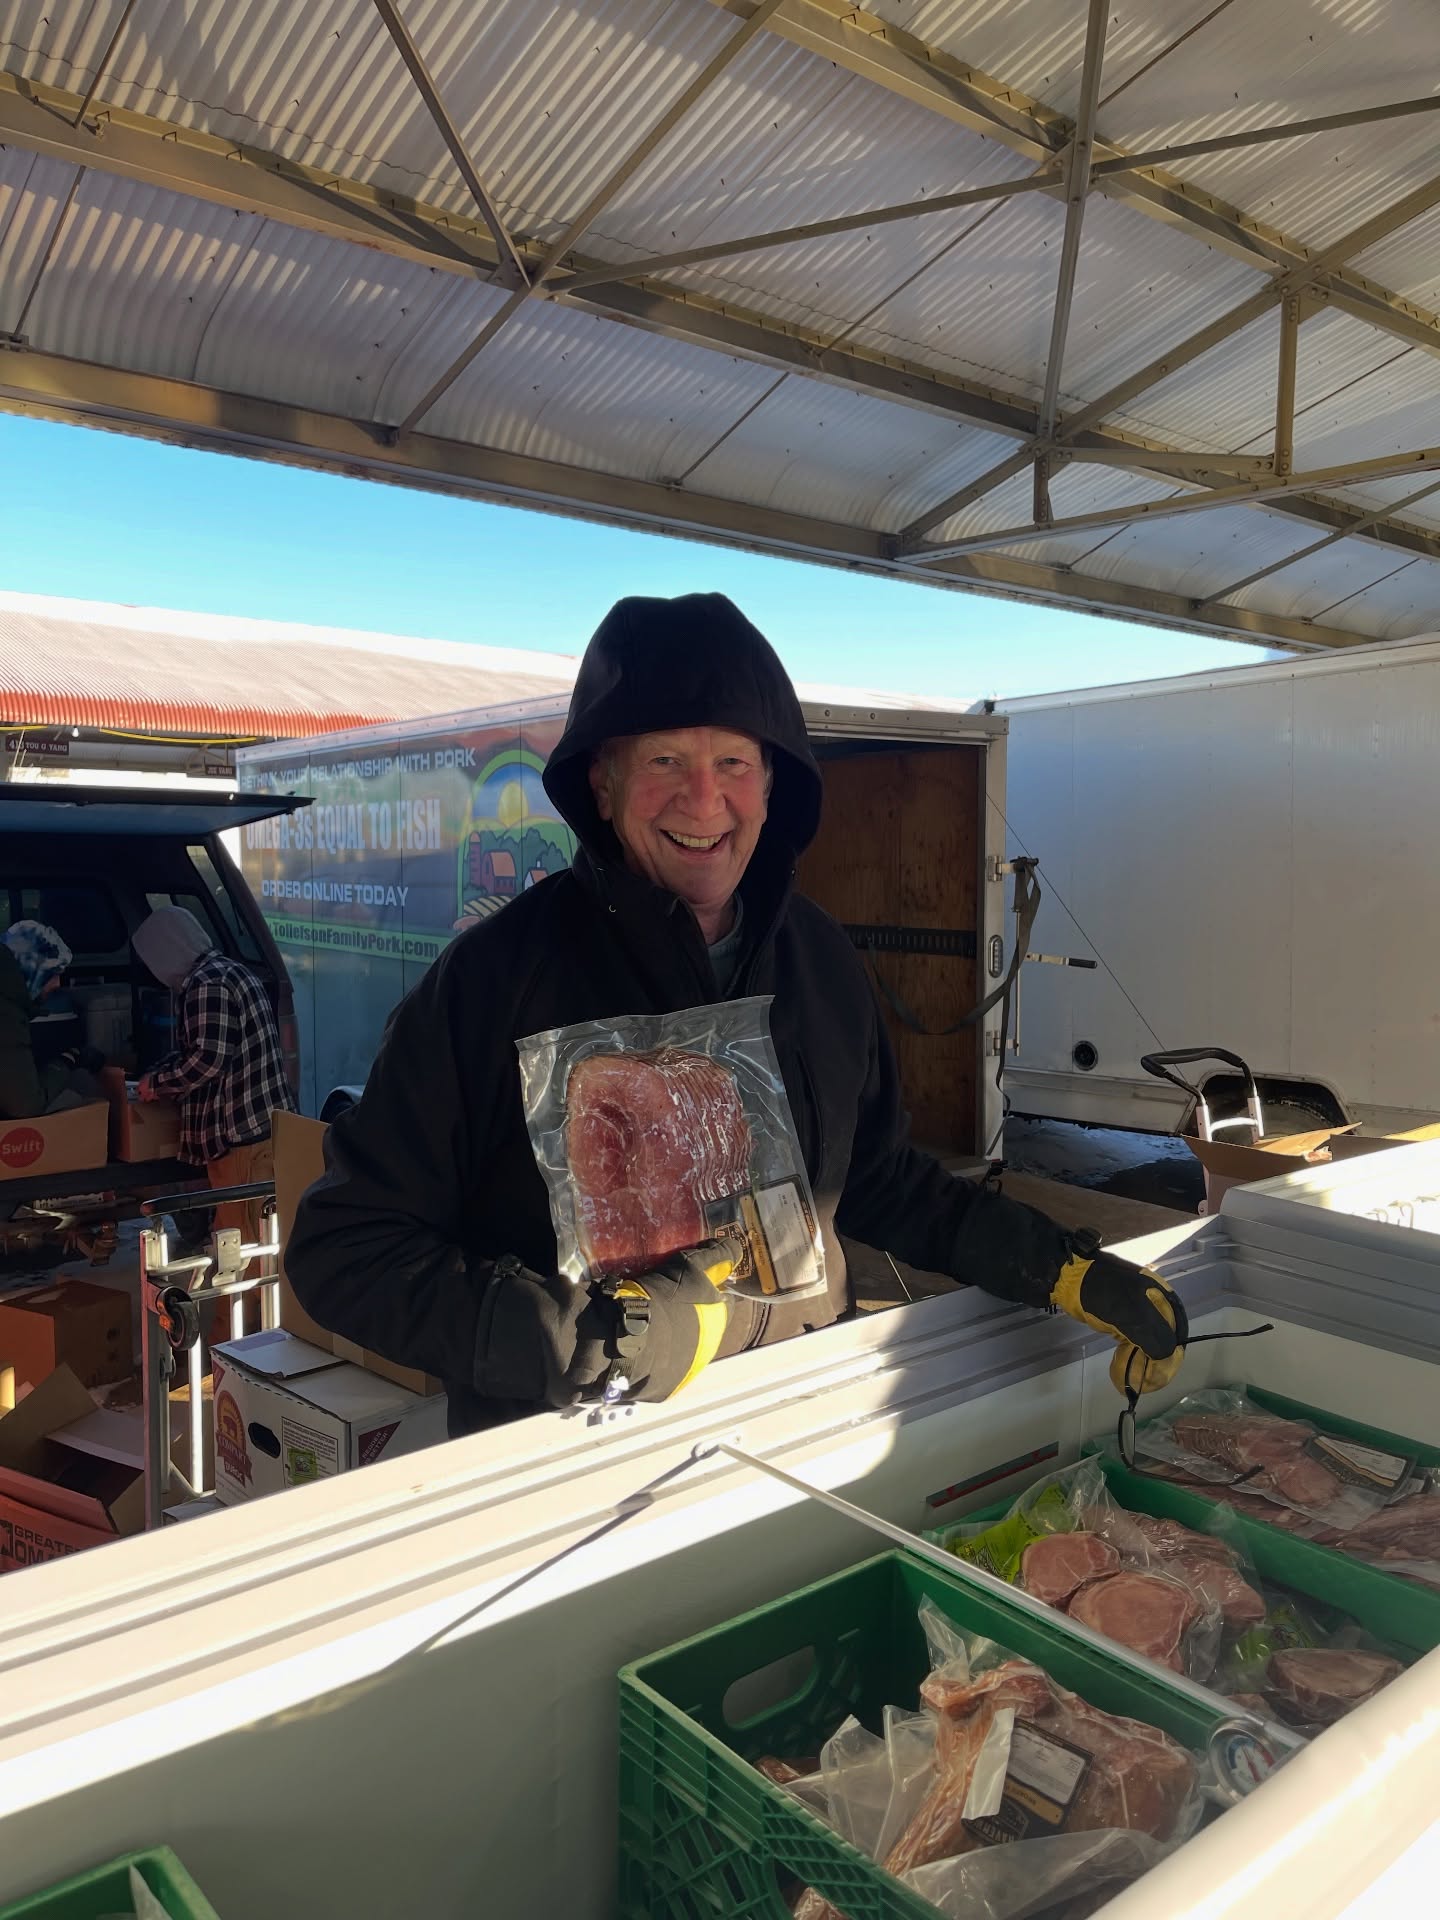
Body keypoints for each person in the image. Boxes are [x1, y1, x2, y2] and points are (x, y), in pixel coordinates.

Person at [287, 595, 1184, 1435]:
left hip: (793, 1424)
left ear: (772, 783)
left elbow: (872, 1179)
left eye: (733, 763)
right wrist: (578, 1337)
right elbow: (344, 1249)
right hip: (566, 1459)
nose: (703, 799)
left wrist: (1055, 1264)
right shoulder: (492, 979)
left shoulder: (822, 962)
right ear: (601, 783)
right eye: (665, 761)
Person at [132, 907, 296, 1241]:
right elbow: (205, 1046)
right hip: (264, 1128)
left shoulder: (206, 984)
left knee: (240, 1239)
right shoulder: (231, 971)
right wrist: (160, 1071)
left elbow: (208, 1060)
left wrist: (159, 1085)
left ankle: (248, 1296)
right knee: (255, 1229)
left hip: (240, 1138)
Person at [0, 920, 104, 1119]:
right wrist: (67, 1061)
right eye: (51, 973)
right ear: (32, 970)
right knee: (79, 1089)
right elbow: (25, 1105)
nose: (57, 984)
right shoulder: (5, 1014)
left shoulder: (7, 996)